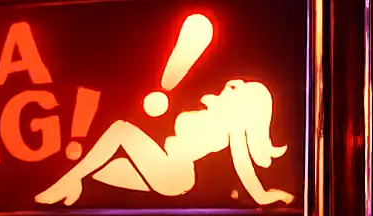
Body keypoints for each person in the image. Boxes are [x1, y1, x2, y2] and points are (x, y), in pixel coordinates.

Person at [35, 79, 293, 207]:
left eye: (237, 90)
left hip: (174, 173)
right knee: (100, 168)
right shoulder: (212, 109)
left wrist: (269, 196)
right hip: (166, 167)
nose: (229, 88)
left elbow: (244, 168)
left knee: (120, 131)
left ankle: (65, 182)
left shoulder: (232, 128)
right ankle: (75, 184)